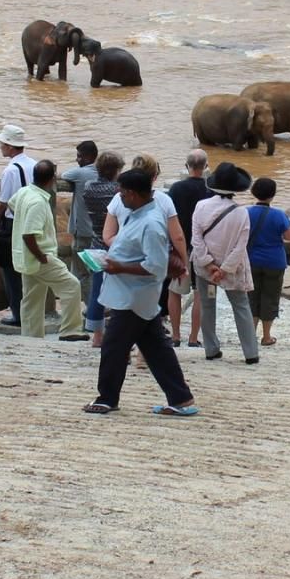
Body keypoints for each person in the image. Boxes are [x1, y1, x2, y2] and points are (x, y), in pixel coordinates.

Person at [85, 168, 198, 417]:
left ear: (133, 194)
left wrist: (118, 266)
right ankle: (180, 397)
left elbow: (155, 267)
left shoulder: (151, 223)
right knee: (157, 347)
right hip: (132, 295)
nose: (119, 196)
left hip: (134, 297)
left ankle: (107, 398)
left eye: (122, 192)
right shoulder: (139, 214)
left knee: (114, 347)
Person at [102, 154, 188, 346]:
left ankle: (118, 347)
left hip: (127, 274)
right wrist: (184, 261)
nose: (121, 194)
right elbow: (177, 236)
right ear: (154, 177)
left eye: (123, 191)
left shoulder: (122, 203)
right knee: (152, 318)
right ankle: (149, 352)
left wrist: (124, 253)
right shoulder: (163, 201)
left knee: (123, 327)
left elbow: (108, 236)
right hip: (148, 271)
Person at [192, 162, 260, 364]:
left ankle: (211, 349)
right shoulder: (241, 213)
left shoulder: (201, 206)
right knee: (241, 306)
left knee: (207, 305)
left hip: (205, 269)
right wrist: (224, 269)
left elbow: (196, 239)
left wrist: (209, 264)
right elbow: (240, 247)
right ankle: (250, 353)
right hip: (232, 269)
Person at [12, 159, 85, 340]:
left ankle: (31, 336)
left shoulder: (24, 192)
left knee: (31, 298)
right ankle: (70, 330)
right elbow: (28, 235)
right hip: (40, 256)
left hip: (26, 257)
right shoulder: (38, 202)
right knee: (72, 286)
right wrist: (41, 256)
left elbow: (12, 205)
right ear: (52, 179)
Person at [0, 125, 40, 329]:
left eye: (2, 143)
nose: (0, 146)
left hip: (14, 222)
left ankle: (17, 313)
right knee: (31, 267)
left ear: (10, 146)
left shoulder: (11, 170)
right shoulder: (34, 164)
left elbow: (3, 202)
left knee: (10, 268)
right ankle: (33, 310)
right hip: (34, 218)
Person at [168, 151, 213, 346]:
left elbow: (168, 217)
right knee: (200, 294)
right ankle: (194, 338)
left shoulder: (176, 188)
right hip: (204, 248)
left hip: (180, 246)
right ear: (206, 167)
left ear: (187, 166)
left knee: (175, 291)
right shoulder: (210, 190)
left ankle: (176, 335)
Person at [246, 178, 290, 348]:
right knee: (270, 298)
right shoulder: (279, 215)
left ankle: (250, 335)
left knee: (252, 297)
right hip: (274, 262)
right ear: (272, 195)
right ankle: (266, 336)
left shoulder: (246, 212)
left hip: (251, 261)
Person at [81, 153, 124, 341]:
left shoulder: (88, 187)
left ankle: (97, 336)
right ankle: (117, 332)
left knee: (97, 290)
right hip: (115, 243)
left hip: (96, 241)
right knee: (120, 290)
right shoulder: (118, 190)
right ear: (116, 170)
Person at [60, 140, 102, 312]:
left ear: (89, 157)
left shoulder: (81, 173)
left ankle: (92, 307)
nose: (77, 159)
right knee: (94, 270)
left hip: (82, 231)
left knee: (81, 272)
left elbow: (63, 175)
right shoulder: (101, 172)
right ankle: (97, 304)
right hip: (97, 231)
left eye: (79, 156)